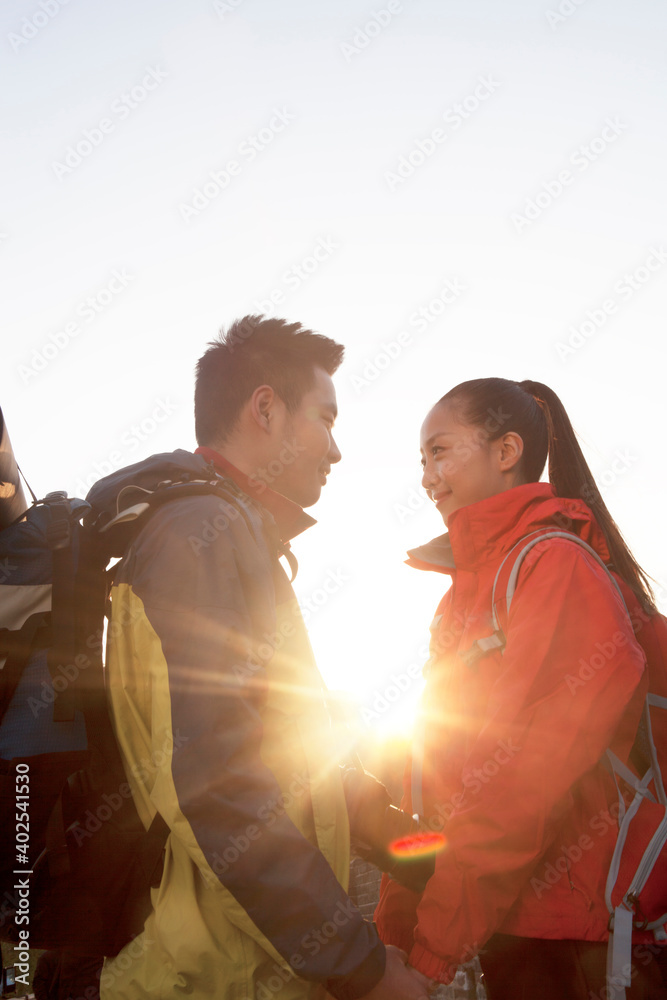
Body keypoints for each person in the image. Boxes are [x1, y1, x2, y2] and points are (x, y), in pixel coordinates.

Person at [97, 316, 428, 1000]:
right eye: (326, 419)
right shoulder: (198, 537)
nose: (335, 450)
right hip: (211, 975)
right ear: (266, 409)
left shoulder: (229, 536)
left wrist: (415, 850)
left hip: (247, 966)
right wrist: (359, 968)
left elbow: (293, 757)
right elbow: (216, 782)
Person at [374, 378, 667, 999]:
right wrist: (397, 933)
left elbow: (519, 779)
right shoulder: (465, 594)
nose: (427, 476)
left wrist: (430, 955)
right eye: (421, 460)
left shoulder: (554, 567)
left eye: (441, 451)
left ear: (507, 452)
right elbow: (436, 781)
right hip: (510, 929)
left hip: (588, 941)